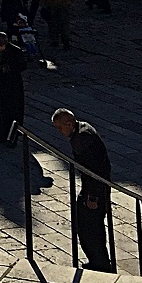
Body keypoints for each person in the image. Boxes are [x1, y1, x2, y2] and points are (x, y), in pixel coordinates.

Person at [51, 108, 114, 272]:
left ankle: (100, 263)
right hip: (95, 186)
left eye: (60, 127)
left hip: (95, 188)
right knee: (89, 224)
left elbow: (94, 169)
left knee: (90, 226)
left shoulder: (82, 138)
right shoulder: (81, 130)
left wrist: (92, 196)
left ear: (69, 123)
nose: (59, 131)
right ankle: (99, 261)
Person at [0, 30, 28, 145]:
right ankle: (1, 135)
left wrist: (7, 68)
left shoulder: (15, 51)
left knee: (13, 111)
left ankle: (13, 136)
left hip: (12, 85)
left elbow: (22, 65)